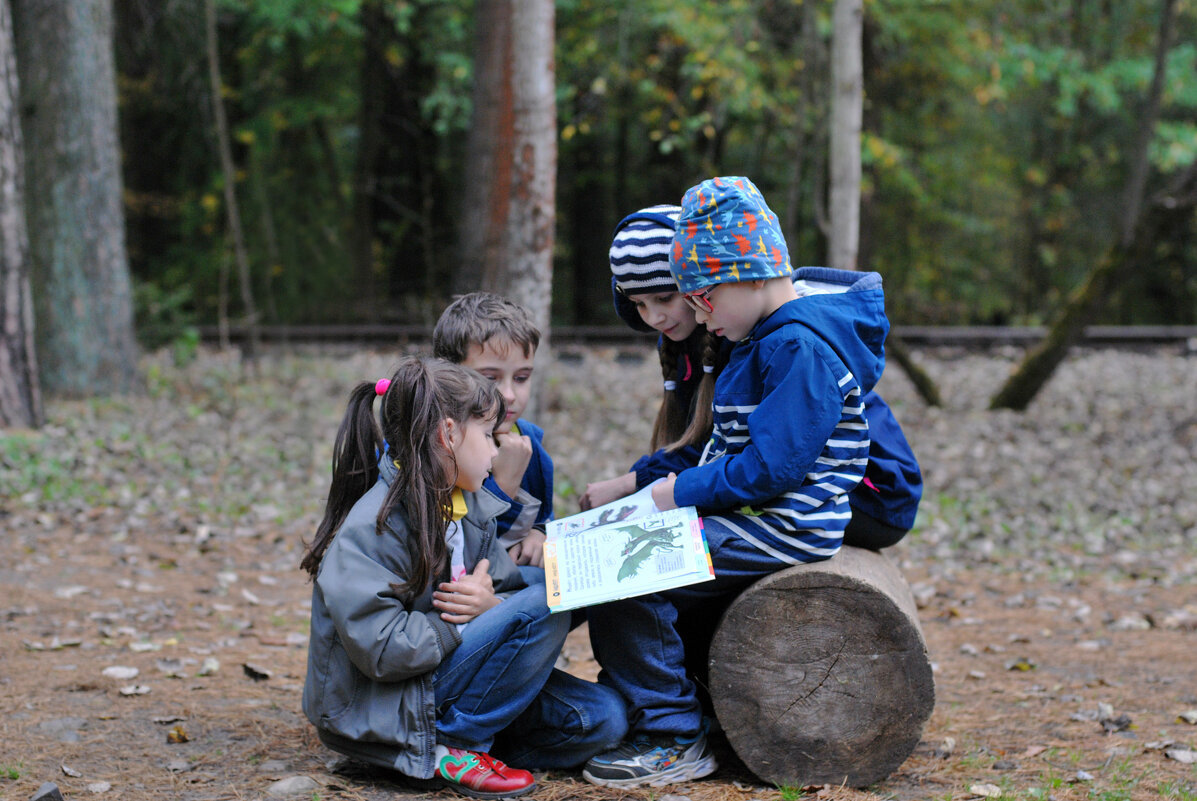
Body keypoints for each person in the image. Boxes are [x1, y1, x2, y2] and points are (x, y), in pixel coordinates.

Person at [582, 176, 891, 789]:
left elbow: (771, 469)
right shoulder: (761, 337)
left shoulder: (798, 346)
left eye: (703, 299)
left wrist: (673, 494)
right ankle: (668, 706)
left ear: (746, 274)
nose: (698, 315)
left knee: (623, 573)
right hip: (762, 518)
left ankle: (672, 736)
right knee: (606, 562)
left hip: (784, 524)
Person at [301, 356, 626, 799]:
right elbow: (381, 649)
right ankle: (452, 746)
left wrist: (490, 606)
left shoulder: (461, 504)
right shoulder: (373, 527)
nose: (496, 451)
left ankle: (470, 741)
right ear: (448, 433)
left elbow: (508, 588)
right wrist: (463, 619)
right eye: (489, 436)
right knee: (548, 599)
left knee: (603, 719)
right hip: (387, 706)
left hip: (444, 685)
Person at [582, 206, 922, 546]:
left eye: (666, 297)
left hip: (871, 489)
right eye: (639, 305)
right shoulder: (700, 333)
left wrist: (634, 482)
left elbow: (739, 452)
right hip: (787, 472)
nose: (654, 316)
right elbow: (715, 448)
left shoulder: (763, 336)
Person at [433, 292, 553, 569]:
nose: (509, 395)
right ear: (448, 374)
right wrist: (505, 487)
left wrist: (538, 533)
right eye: (490, 379)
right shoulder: (429, 449)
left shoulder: (530, 443)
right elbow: (451, 550)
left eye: (522, 378)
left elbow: (545, 517)